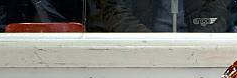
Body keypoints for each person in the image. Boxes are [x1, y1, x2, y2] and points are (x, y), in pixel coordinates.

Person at [94, 0, 228, 32]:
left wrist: (196, 48)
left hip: (197, 60)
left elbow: (218, 13)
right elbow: (114, 10)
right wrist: (150, 44)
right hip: (138, 56)